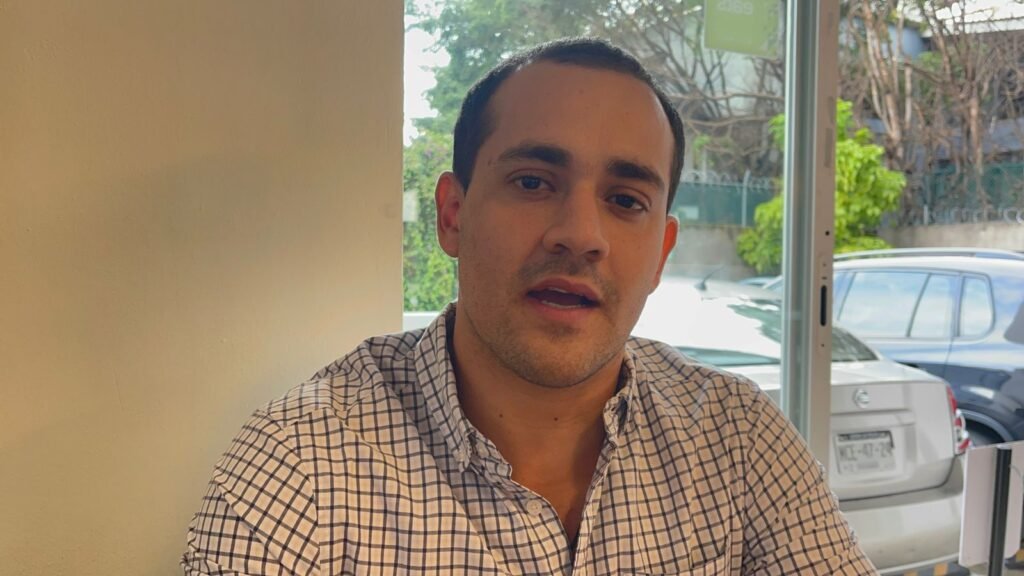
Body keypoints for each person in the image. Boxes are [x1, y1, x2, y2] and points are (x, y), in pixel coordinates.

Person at [183, 38, 875, 575]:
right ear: (453, 216)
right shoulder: (301, 465)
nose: (581, 234)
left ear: (662, 252)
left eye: (625, 200)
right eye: (533, 182)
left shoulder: (736, 438)